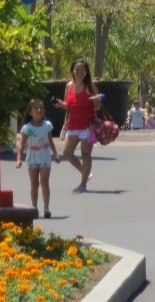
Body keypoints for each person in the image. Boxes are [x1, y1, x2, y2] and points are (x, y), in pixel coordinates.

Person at [53, 59, 102, 193]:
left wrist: (97, 101)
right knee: (67, 152)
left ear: (86, 72)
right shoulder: (69, 86)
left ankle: (83, 184)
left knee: (86, 154)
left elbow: (97, 107)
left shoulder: (91, 87)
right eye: (77, 69)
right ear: (72, 71)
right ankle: (85, 172)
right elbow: (67, 105)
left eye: (83, 70)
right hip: (73, 124)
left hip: (87, 125)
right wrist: (60, 104)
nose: (80, 72)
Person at [16, 99, 60, 218]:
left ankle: (46, 208)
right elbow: (21, 144)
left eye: (41, 108)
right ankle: (34, 208)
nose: (39, 110)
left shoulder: (47, 125)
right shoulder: (27, 128)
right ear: (30, 112)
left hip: (45, 157)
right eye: (36, 108)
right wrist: (19, 158)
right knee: (34, 183)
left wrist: (55, 154)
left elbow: (50, 140)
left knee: (44, 182)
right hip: (32, 158)